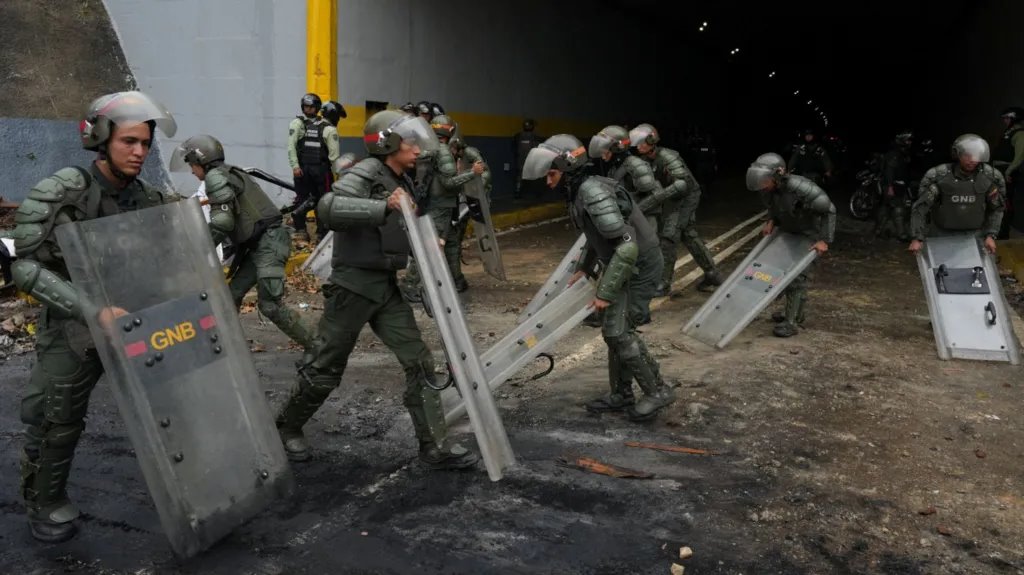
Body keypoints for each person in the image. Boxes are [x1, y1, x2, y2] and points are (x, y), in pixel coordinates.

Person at [9, 91, 178, 542]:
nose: (140, 152)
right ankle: (44, 502)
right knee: (55, 419)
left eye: (145, 142)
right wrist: (92, 310)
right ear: (100, 139)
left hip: (138, 320)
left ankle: (197, 491)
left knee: (179, 403)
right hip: (75, 325)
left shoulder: (151, 198)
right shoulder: (65, 192)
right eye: (129, 142)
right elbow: (25, 266)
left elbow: (172, 259)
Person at [274, 109, 479, 470]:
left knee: (419, 361)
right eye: (411, 142)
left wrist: (425, 240)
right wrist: (383, 205)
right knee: (326, 366)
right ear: (388, 143)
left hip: (384, 285)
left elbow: (401, 226)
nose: (418, 149)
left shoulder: (402, 176)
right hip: (352, 286)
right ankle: (287, 426)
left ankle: (434, 445)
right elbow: (330, 207)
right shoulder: (369, 172)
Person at [522, 134, 675, 421]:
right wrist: (585, 267)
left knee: (619, 331)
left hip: (639, 264)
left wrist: (604, 292)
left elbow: (627, 245)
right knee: (613, 331)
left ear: (566, 168)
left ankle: (658, 390)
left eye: (551, 173)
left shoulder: (592, 192)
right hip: (624, 260)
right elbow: (595, 236)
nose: (547, 180)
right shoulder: (580, 190)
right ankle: (621, 394)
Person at [169, 134, 315, 350]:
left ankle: (319, 348)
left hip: (268, 243)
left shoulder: (215, 177)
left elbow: (222, 223)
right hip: (262, 243)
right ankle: (223, 348)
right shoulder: (229, 173)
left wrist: (197, 249)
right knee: (231, 297)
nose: (191, 171)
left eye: (192, 165)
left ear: (200, 161)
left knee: (270, 305)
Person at [745, 152, 835, 338]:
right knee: (782, 274)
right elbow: (774, 207)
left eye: (765, 180)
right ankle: (791, 313)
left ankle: (792, 322)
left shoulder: (799, 187)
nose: (763, 185)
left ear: (777, 175)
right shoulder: (768, 190)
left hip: (809, 234)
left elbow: (829, 209)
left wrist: (824, 240)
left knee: (798, 278)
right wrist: (771, 220)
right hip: (789, 231)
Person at [629, 123, 721, 294]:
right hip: (673, 198)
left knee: (668, 237)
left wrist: (656, 199)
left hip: (686, 197)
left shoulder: (668, 156)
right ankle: (712, 273)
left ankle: (663, 283)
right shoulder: (645, 160)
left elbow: (682, 185)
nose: (639, 146)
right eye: (637, 143)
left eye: (642, 142)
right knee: (688, 234)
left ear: (652, 140)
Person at [400, 114, 482, 300]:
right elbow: (449, 182)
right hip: (441, 207)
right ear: (450, 132)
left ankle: (456, 280)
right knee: (431, 246)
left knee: (452, 243)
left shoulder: (428, 147)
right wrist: (472, 173)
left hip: (438, 204)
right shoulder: (443, 150)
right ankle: (410, 285)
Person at [909, 134, 1005, 256]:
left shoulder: (988, 177)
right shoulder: (940, 177)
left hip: (975, 235)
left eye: (975, 155)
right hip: (941, 234)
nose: (972, 160)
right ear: (957, 154)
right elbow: (920, 208)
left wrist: (991, 235)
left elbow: (997, 208)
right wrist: (917, 238)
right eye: (967, 155)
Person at [287, 93, 343, 242]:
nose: (308, 109)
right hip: (317, 170)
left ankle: (303, 229)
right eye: (306, 107)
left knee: (305, 198)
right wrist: (295, 166)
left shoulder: (310, 125)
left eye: (311, 107)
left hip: (306, 169)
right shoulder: (326, 129)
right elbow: (334, 157)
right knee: (322, 200)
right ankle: (320, 234)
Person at [448, 135, 492, 292]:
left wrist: (474, 186)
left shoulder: (470, 153)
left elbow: (485, 173)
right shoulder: (449, 157)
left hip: (468, 199)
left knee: (455, 238)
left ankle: (456, 278)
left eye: (452, 148)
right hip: (459, 198)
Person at [875, 130, 914, 241]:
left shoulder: (902, 154)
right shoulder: (894, 154)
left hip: (898, 185)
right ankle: (901, 234)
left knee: (887, 208)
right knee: (898, 209)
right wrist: (890, 187)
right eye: (907, 140)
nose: (909, 142)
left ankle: (878, 230)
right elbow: (889, 171)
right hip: (891, 185)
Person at [994, 107, 1024, 237]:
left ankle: (1003, 232)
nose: (1004, 121)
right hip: (999, 170)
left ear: (1013, 118)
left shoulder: (1020, 133)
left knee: (1005, 203)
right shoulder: (1009, 132)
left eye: (1006, 118)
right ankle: (997, 228)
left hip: (1007, 172)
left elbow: (1020, 155)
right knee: (996, 200)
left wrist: (1009, 171)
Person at [512, 118, 543, 198]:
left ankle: (517, 192)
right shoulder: (535, 137)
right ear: (532, 127)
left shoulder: (518, 136)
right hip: (532, 160)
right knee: (536, 176)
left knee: (519, 177)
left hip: (521, 160)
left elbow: (514, 147)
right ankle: (538, 193)